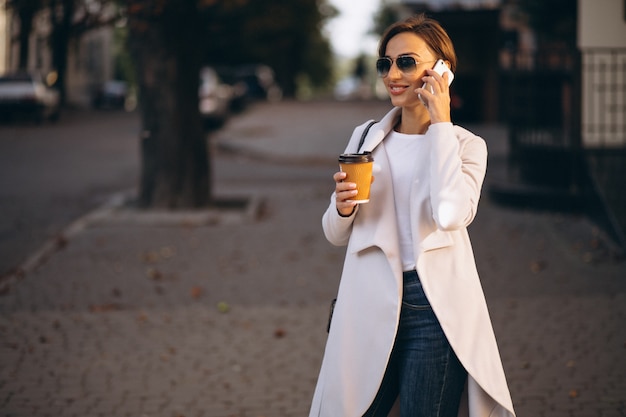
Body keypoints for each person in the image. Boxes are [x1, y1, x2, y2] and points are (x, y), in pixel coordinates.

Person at [309, 14, 516, 417]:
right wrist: (343, 206)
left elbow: (452, 214)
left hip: (435, 313)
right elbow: (335, 234)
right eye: (385, 63)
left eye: (406, 61)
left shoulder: (466, 146)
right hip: (367, 301)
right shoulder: (365, 138)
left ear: (441, 70)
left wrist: (441, 124)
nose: (393, 74)